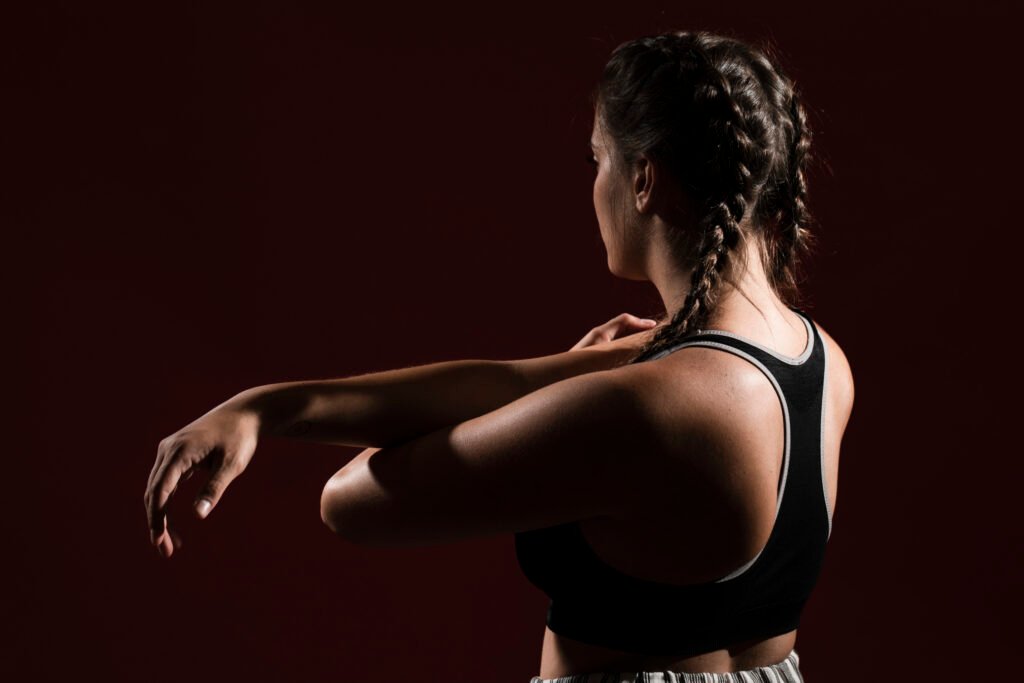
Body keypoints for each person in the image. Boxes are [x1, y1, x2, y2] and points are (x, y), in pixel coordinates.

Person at [144, 29, 854, 683]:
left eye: (597, 160)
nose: (594, 184)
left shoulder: (639, 405)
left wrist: (580, 376)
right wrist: (263, 408)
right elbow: (507, 383)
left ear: (644, 179)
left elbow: (352, 500)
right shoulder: (822, 361)